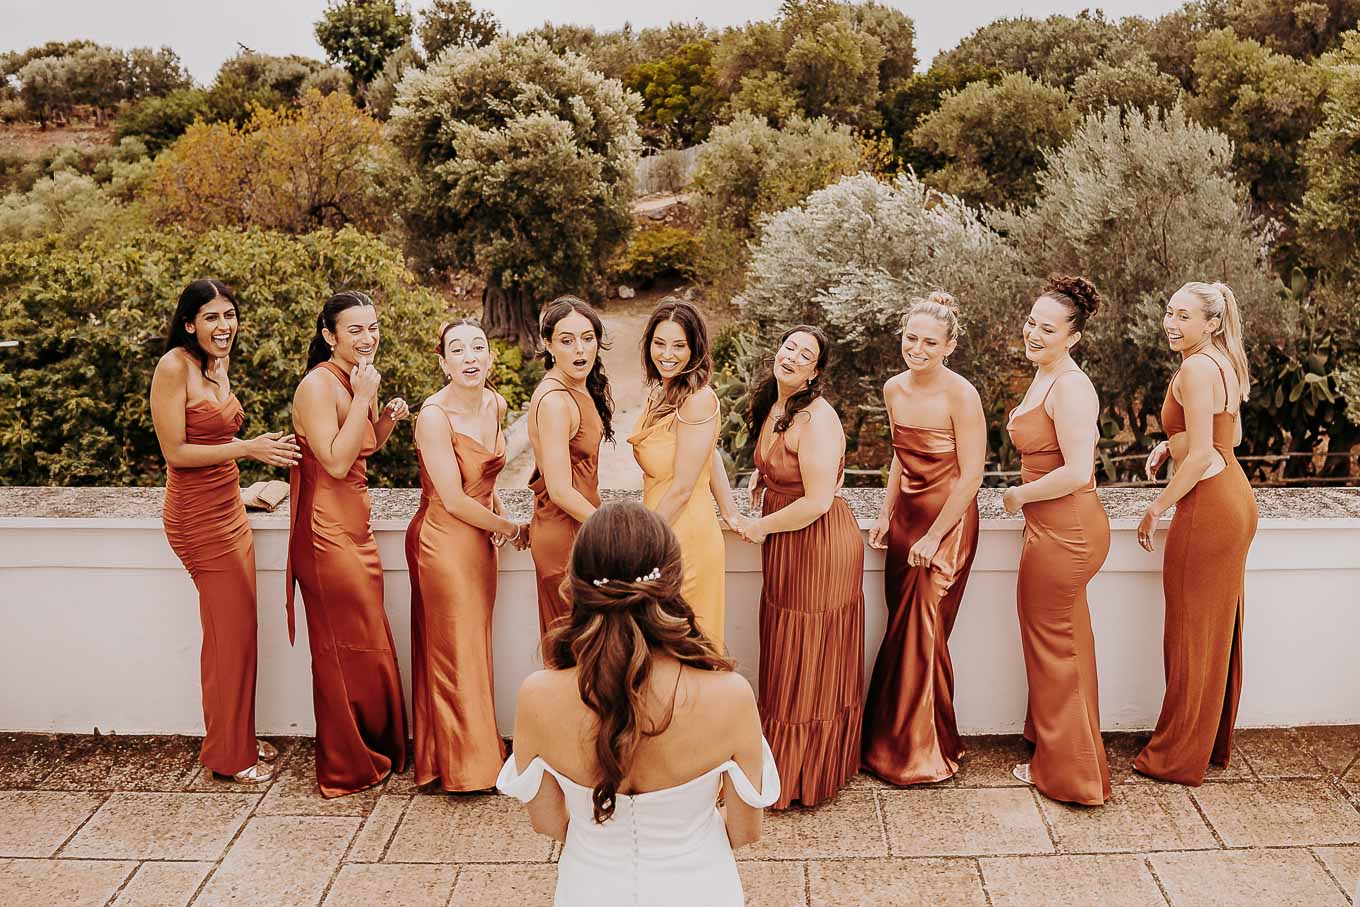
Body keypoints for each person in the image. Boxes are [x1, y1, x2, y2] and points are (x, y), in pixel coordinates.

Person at [498, 500, 778, 907]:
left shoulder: (536, 695)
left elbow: (548, 823)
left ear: (576, 583)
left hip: (589, 890)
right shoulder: (730, 695)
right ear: (674, 580)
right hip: (700, 888)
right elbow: (746, 831)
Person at [151, 279, 299, 784]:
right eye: (211, 317)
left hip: (229, 508)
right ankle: (229, 758)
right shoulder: (173, 367)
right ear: (189, 323)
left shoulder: (217, 364)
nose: (224, 326)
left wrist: (249, 469)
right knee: (227, 637)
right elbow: (175, 452)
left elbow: (213, 437)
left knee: (237, 633)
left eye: (229, 315)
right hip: (196, 518)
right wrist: (248, 448)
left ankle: (237, 735)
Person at [1133, 282, 1258, 785]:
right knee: (1213, 631)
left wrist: (1155, 507)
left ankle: (1178, 755)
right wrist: (1173, 444)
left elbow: (1204, 455)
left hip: (1208, 505)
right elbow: (1231, 438)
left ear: (1212, 323)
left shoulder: (1194, 368)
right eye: (1170, 312)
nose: (1171, 323)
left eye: (1184, 316)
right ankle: (1205, 744)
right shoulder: (1223, 362)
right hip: (1235, 497)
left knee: (1189, 633)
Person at [287, 290, 409, 798]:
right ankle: (346, 764)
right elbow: (335, 463)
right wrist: (363, 398)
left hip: (355, 525)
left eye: (373, 327)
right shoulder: (318, 386)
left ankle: (376, 745)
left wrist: (386, 418)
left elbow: (363, 446)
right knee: (340, 647)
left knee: (367, 639)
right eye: (355, 329)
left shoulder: (359, 377)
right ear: (329, 336)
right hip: (324, 531)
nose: (367, 337)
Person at [862, 292, 985, 785]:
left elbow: (972, 477)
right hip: (907, 521)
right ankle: (895, 745)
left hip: (948, 524)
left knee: (926, 629)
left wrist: (935, 537)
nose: (917, 348)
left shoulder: (962, 395)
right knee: (902, 629)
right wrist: (885, 512)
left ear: (949, 346)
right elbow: (900, 455)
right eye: (911, 338)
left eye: (930, 342)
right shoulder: (893, 389)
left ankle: (927, 751)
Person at [740, 325, 864, 809]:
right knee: (786, 649)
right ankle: (780, 760)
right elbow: (782, 463)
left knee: (808, 655)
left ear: (814, 373)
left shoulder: (817, 419)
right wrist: (764, 475)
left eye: (804, 354)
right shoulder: (776, 404)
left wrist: (760, 527)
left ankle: (801, 774)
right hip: (788, 545)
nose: (791, 356)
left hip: (818, 546)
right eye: (788, 346)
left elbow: (816, 500)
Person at [1003, 275, 1112, 807]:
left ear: (1074, 337)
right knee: (1066, 646)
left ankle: (1073, 776)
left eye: (1048, 329)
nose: (1034, 333)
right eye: (1031, 323)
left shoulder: (1070, 386)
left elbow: (1078, 470)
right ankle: (1068, 754)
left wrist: (1019, 496)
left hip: (1066, 530)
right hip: (1055, 528)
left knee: (1055, 649)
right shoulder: (1046, 375)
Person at [406, 319, 527, 792]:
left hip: (479, 541)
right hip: (443, 541)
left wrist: (498, 513)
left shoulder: (496, 403)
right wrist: (509, 528)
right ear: (443, 362)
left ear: (490, 357)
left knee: (474, 645)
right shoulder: (433, 417)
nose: (470, 357)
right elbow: (454, 499)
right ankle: (466, 768)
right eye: (457, 350)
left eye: (478, 347)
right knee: (455, 649)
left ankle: (468, 753)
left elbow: (485, 481)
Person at [628, 299, 726, 647]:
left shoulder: (698, 400)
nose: (667, 354)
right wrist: (730, 510)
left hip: (684, 535)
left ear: (695, 348)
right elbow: (709, 453)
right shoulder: (661, 391)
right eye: (659, 343)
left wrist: (639, 542)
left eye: (678, 346)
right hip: (662, 525)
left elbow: (684, 487)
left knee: (687, 646)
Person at [527, 297, 613, 637]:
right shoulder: (555, 401)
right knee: (575, 649)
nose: (580, 349)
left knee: (589, 648)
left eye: (587, 338)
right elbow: (561, 490)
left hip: (582, 530)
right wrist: (611, 530)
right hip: (565, 538)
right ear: (548, 345)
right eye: (567, 340)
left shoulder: (578, 387)